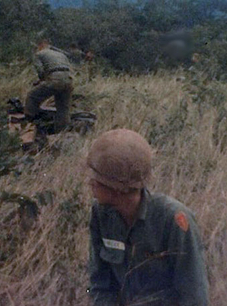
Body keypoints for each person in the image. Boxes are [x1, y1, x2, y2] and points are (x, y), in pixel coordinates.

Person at [87, 129, 209, 306]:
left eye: (96, 179)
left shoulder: (174, 219)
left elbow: (194, 295)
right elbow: (99, 284)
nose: (91, 183)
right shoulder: (101, 214)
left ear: (117, 188)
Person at [24, 39, 73, 132]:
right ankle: (62, 131)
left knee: (32, 96)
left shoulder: (39, 54)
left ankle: (30, 124)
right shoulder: (61, 54)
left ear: (40, 46)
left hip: (55, 79)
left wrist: (42, 80)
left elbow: (40, 71)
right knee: (63, 108)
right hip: (68, 80)